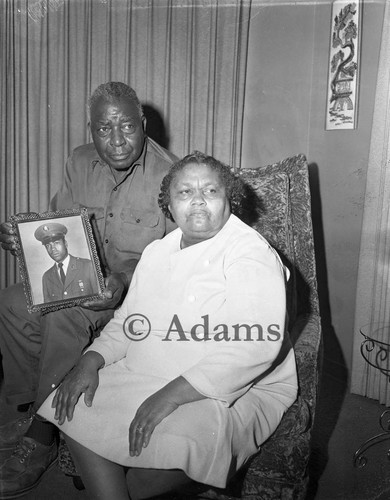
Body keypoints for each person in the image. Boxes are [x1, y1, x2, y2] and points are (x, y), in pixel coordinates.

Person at [38, 151, 298, 500]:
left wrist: (170, 396)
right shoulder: (157, 252)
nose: (198, 202)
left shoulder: (250, 254)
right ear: (169, 206)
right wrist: (91, 359)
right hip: (151, 368)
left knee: (184, 445)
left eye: (211, 191)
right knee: (71, 402)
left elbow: (254, 347)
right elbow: (130, 321)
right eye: (185, 193)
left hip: (229, 386)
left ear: (229, 200)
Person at [0, 82, 177, 497]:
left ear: (144, 125)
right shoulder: (78, 161)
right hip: (83, 279)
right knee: (11, 302)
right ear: (90, 129)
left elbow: (174, 262)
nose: (116, 141)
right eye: (104, 128)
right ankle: (32, 409)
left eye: (127, 127)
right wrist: (23, 242)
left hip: (137, 296)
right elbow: (61, 225)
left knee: (64, 314)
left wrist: (123, 282)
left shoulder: (171, 173)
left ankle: (43, 437)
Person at [34, 222, 98, 303]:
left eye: (56, 243)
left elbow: (100, 302)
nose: (52, 248)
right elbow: (49, 311)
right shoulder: (47, 277)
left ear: (65, 244)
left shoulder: (88, 266)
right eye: (48, 246)